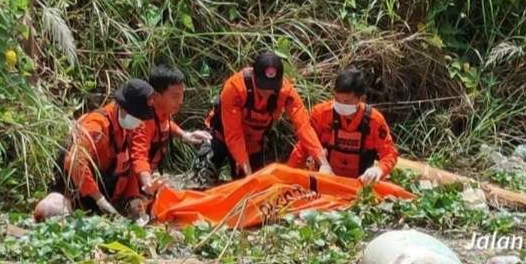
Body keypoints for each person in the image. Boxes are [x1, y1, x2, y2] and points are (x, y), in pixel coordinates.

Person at [196, 51, 330, 183]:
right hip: (222, 136)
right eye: (263, 87)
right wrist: (244, 165)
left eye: (272, 88)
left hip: (252, 143)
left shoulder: (286, 92)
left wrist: (323, 162)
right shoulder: (234, 88)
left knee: (255, 186)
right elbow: (233, 134)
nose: (267, 93)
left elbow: (304, 127)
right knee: (205, 172)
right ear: (254, 77)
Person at [36, 79, 155, 219]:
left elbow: (130, 164)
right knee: (50, 211)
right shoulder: (96, 126)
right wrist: (99, 199)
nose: (139, 122)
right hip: (76, 194)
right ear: (122, 108)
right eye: (137, 117)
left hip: (109, 197)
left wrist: (133, 197)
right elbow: (75, 162)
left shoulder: (130, 127)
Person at [288, 68, 398, 184]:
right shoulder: (321, 114)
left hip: (360, 185)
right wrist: (289, 175)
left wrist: (379, 170)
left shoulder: (375, 121)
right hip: (325, 180)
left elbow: (390, 153)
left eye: (346, 101)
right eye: (337, 99)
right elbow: (304, 145)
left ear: (361, 99)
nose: (340, 105)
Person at [131, 66, 211, 198]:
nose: (180, 101)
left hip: (151, 171)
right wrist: (148, 184)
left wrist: (186, 135)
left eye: (182, 95)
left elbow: (166, 125)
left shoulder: (163, 111)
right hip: (134, 179)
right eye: (175, 96)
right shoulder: (143, 120)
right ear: (156, 96)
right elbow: (138, 156)